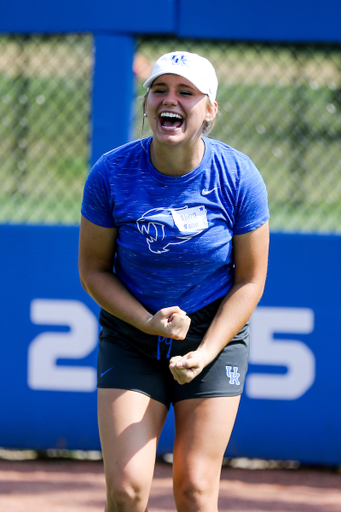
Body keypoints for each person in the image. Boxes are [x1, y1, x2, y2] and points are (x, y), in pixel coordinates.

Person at [78, 50, 270, 512]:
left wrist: (203, 353)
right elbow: (93, 270)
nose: (171, 99)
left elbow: (250, 280)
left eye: (187, 92)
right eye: (160, 89)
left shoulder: (239, 176)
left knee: (196, 489)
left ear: (210, 110)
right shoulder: (110, 173)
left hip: (211, 338)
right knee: (126, 492)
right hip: (132, 337)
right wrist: (148, 322)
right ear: (146, 105)